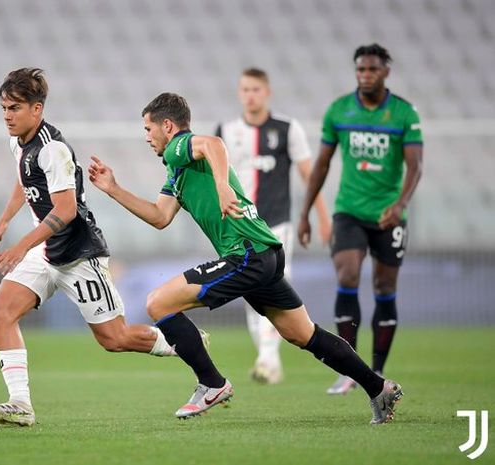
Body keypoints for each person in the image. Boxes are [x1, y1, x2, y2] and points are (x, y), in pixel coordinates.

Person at [88, 92, 403, 424]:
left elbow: (213, 144)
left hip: (247, 253)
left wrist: (223, 186)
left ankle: (212, 384)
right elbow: (159, 217)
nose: (147, 138)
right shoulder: (177, 169)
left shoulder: (181, 145)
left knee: (158, 303)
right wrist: (114, 189)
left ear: (167, 125)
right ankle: (379, 388)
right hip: (264, 254)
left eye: (148, 129)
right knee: (303, 334)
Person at [0, 68, 192, 427]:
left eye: (14, 108)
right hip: (45, 252)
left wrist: (19, 246)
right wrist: (5, 220)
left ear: (37, 109)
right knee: (0, 313)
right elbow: (23, 179)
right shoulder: (19, 143)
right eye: (4, 108)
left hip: (79, 255)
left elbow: (66, 209)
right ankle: (21, 404)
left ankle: (184, 342)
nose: (7, 116)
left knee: (115, 338)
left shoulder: (53, 149)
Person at [298, 44, 423, 395]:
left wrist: (400, 204)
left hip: (388, 215)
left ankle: (377, 369)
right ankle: (350, 368)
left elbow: (415, 166)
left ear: (385, 72)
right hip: (349, 211)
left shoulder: (403, 114)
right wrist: (306, 211)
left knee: (384, 287)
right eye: (360, 70)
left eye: (372, 69)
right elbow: (321, 164)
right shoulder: (339, 111)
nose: (365, 75)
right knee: (348, 274)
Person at [216, 68, 332, 384]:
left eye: (255, 89)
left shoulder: (286, 129)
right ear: (239, 93)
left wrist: (321, 215)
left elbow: (310, 175)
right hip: (240, 226)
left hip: (275, 224)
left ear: (267, 92)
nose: (250, 95)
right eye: (245, 89)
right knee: (249, 290)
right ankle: (270, 360)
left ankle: (266, 358)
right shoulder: (224, 132)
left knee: (278, 284)